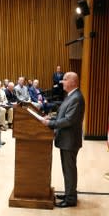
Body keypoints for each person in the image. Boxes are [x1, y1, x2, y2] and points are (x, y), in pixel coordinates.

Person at [42, 72, 85, 208]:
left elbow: (69, 120)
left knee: (69, 169)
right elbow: (62, 115)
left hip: (70, 140)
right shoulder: (71, 96)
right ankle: (69, 193)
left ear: (72, 81)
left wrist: (50, 124)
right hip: (66, 139)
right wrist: (52, 119)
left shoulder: (76, 98)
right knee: (67, 169)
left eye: (65, 80)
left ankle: (71, 199)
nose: (63, 83)